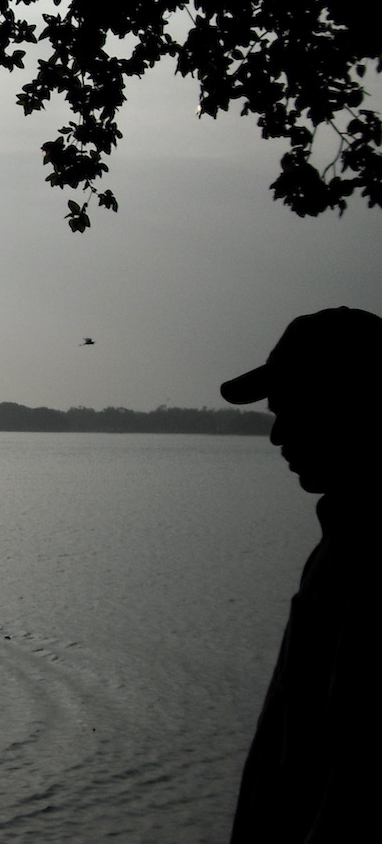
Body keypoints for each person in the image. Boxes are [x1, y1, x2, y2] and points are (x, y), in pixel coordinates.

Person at [219, 306, 382, 842]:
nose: (276, 436)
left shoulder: (369, 551)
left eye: (294, 409)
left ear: (353, 403)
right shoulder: (343, 535)